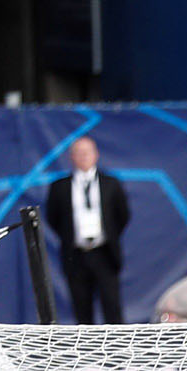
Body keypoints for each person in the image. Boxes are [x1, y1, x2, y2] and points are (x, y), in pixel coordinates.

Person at [43, 135, 129, 324]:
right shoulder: (60, 187)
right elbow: (53, 218)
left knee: (112, 308)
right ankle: (87, 352)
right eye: (79, 153)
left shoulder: (111, 184)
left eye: (87, 152)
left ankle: (117, 351)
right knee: (82, 311)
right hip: (76, 256)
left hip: (105, 254)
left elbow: (122, 215)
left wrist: (108, 236)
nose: (83, 157)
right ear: (71, 157)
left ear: (96, 155)